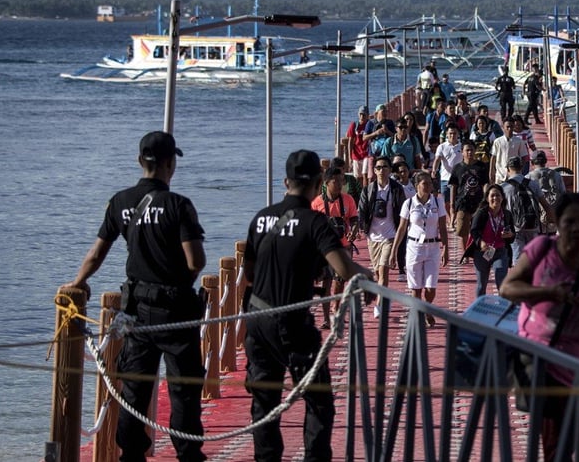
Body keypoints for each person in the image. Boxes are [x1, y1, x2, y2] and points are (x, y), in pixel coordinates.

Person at [61, 131, 207, 462]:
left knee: (134, 389)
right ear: (171, 164)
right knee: (184, 390)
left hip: (137, 312)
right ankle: (188, 453)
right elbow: (195, 261)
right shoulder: (178, 205)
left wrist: (77, 282)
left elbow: (97, 253)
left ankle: (130, 454)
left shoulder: (120, 202)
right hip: (177, 312)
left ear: (140, 162)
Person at [243, 150, 373, 461]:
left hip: (257, 320)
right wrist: (367, 278)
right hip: (292, 323)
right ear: (318, 183)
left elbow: (248, 273)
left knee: (264, 402)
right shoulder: (314, 222)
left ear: (285, 181)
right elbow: (343, 269)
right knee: (318, 400)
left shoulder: (261, 218)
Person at [499, 193, 579, 462]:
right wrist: (550, 292)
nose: (576, 227)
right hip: (541, 357)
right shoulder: (542, 248)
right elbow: (508, 288)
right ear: (557, 222)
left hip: (578, 362)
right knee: (556, 444)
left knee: (570, 440)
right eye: (569, 221)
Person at [392, 171, 450, 327]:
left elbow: (443, 227)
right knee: (416, 288)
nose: (428, 186)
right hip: (414, 247)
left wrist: (446, 248)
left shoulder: (438, 202)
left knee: (431, 287)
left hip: (432, 248)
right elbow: (402, 229)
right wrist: (394, 252)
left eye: (430, 183)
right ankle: (421, 312)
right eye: (425, 184)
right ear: (417, 186)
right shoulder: (409, 204)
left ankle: (426, 307)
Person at [357, 155, 408, 318]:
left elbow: (403, 213)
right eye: (378, 167)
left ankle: (379, 304)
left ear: (389, 170)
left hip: (390, 236)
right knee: (378, 274)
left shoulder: (397, 189)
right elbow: (362, 212)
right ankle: (385, 296)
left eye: (384, 167)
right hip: (373, 237)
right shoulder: (368, 189)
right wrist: (360, 228)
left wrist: (403, 231)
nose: (381, 170)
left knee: (384, 271)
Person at [311, 166, 360, 329]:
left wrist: (353, 229)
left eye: (342, 181)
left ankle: (337, 311)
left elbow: (354, 219)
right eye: (336, 181)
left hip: (343, 247)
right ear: (326, 183)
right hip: (323, 250)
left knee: (340, 282)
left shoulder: (348, 200)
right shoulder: (317, 203)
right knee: (326, 282)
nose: (340, 185)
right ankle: (326, 317)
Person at [502, 156, 554, 263]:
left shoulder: (503, 187)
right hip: (533, 225)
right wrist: (551, 222)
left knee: (518, 258)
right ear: (521, 168)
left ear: (508, 170)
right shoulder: (532, 184)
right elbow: (545, 205)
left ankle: (520, 276)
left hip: (515, 227)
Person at [468, 183, 515, 297]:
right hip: (482, 253)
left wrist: (510, 235)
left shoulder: (507, 215)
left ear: (502, 197)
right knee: (481, 285)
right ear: (487, 198)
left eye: (498, 195)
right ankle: (478, 312)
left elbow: (513, 235)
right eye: (492, 195)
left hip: (500, 252)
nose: (495, 198)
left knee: (501, 282)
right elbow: (474, 231)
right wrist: (481, 242)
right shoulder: (481, 213)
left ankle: (502, 310)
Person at [448, 141, 490, 252]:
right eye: (467, 150)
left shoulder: (481, 166)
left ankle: (482, 251)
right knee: (462, 230)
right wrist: (452, 205)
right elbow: (454, 186)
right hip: (462, 203)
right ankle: (465, 252)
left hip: (478, 202)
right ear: (462, 152)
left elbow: (485, 183)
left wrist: (486, 199)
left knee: (481, 228)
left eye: (471, 149)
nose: (469, 152)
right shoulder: (457, 168)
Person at [528, 150, 566, 234]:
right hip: (553, 215)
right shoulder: (556, 175)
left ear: (532, 162)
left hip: (536, 218)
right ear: (545, 161)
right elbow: (563, 195)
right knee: (552, 241)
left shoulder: (528, 177)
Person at [489, 117, 529, 184]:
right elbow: (493, 157)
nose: (509, 129)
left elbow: (524, 157)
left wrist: (520, 170)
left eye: (511, 127)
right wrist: (491, 172)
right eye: (507, 127)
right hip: (500, 175)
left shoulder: (519, 141)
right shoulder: (497, 141)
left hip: (514, 176)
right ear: (503, 127)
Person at [431, 125, 463, 206]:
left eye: (454, 133)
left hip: (459, 179)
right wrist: (434, 170)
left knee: (458, 201)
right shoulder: (441, 147)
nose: (452, 135)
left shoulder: (462, 146)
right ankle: (450, 217)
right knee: (445, 202)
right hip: (445, 179)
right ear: (447, 134)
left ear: (458, 134)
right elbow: (437, 159)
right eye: (450, 133)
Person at [346, 105, 371, 186]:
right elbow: (350, 141)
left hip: (366, 154)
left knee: (365, 174)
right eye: (360, 114)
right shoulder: (354, 125)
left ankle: (365, 192)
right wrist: (350, 158)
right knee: (357, 177)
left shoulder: (369, 125)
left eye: (364, 114)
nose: (362, 116)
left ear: (367, 115)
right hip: (356, 155)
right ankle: (360, 193)